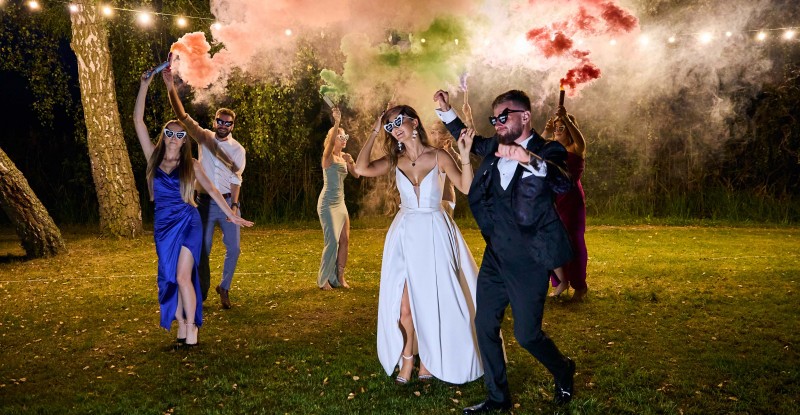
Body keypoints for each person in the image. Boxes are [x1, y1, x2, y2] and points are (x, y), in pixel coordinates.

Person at [433, 89, 576, 411]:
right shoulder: (495, 147)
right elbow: (468, 138)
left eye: (503, 116)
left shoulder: (548, 149)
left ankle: (563, 368)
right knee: (484, 326)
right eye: (493, 118)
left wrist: (528, 159)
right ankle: (498, 398)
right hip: (496, 255)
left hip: (530, 259)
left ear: (525, 116)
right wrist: (446, 110)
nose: (497, 123)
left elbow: (562, 181)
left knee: (527, 335)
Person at [354, 104, 482, 385]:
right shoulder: (394, 160)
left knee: (434, 299)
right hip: (405, 234)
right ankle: (408, 358)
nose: (394, 129)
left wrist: (464, 157)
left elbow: (466, 187)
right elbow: (361, 168)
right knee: (405, 307)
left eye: (398, 121)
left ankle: (428, 359)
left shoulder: (438, 156)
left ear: (414, 121)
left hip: (435, 233)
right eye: (389, 126)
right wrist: (374, 131)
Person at [133, 71, 253, 346]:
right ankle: (181, 327)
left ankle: (191, 330)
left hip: (188, 221)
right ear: (164, 136)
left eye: (179, 134)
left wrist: (232, 213)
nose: (174, 137)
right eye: (169, 132)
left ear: (185, 140)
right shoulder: (153, 159)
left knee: (183, 276)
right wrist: (144, 86)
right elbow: (138, 121)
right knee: (168, 279)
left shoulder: (192, 165)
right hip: (164, 226)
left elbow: (214, 190)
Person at [163, 68, 246, 310]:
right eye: (220, 121)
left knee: (234, 249)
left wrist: (234, 206)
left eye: (228, 123)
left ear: (232, 126)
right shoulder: (204, 137)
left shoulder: (238, 150)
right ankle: (201, 292)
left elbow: (237, 180)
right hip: (204, 203)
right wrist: (170, 86)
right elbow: (181, 114)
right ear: (214, 121)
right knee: (203, 249)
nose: (223, 125)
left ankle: (225, 288)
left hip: (228, 202)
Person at [544, 107, 588, 300]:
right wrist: (546, 131)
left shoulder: (576, 148)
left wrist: (566, 119)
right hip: (553, 199)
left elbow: (581, 142)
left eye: (562, 128)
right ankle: (561, 282)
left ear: (569, 130)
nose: (558, 130)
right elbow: (531, 150)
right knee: (553, 239)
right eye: (556, 128)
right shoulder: (551, 148)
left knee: (573, 242)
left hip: (571, 200)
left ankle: (579, 285)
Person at [317, 107, 360, 290]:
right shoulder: (328, 157)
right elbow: (328, 146)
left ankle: (339, 277)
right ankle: (324, 280)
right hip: (327, 203)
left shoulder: (344, 157)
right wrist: (337, 122)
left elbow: (356, 174)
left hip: (340, 202)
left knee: (344, 240)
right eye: (340, 137)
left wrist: (351, 161)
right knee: (332, 241)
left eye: (345, 137)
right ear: (333, 139)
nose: (344, 140)